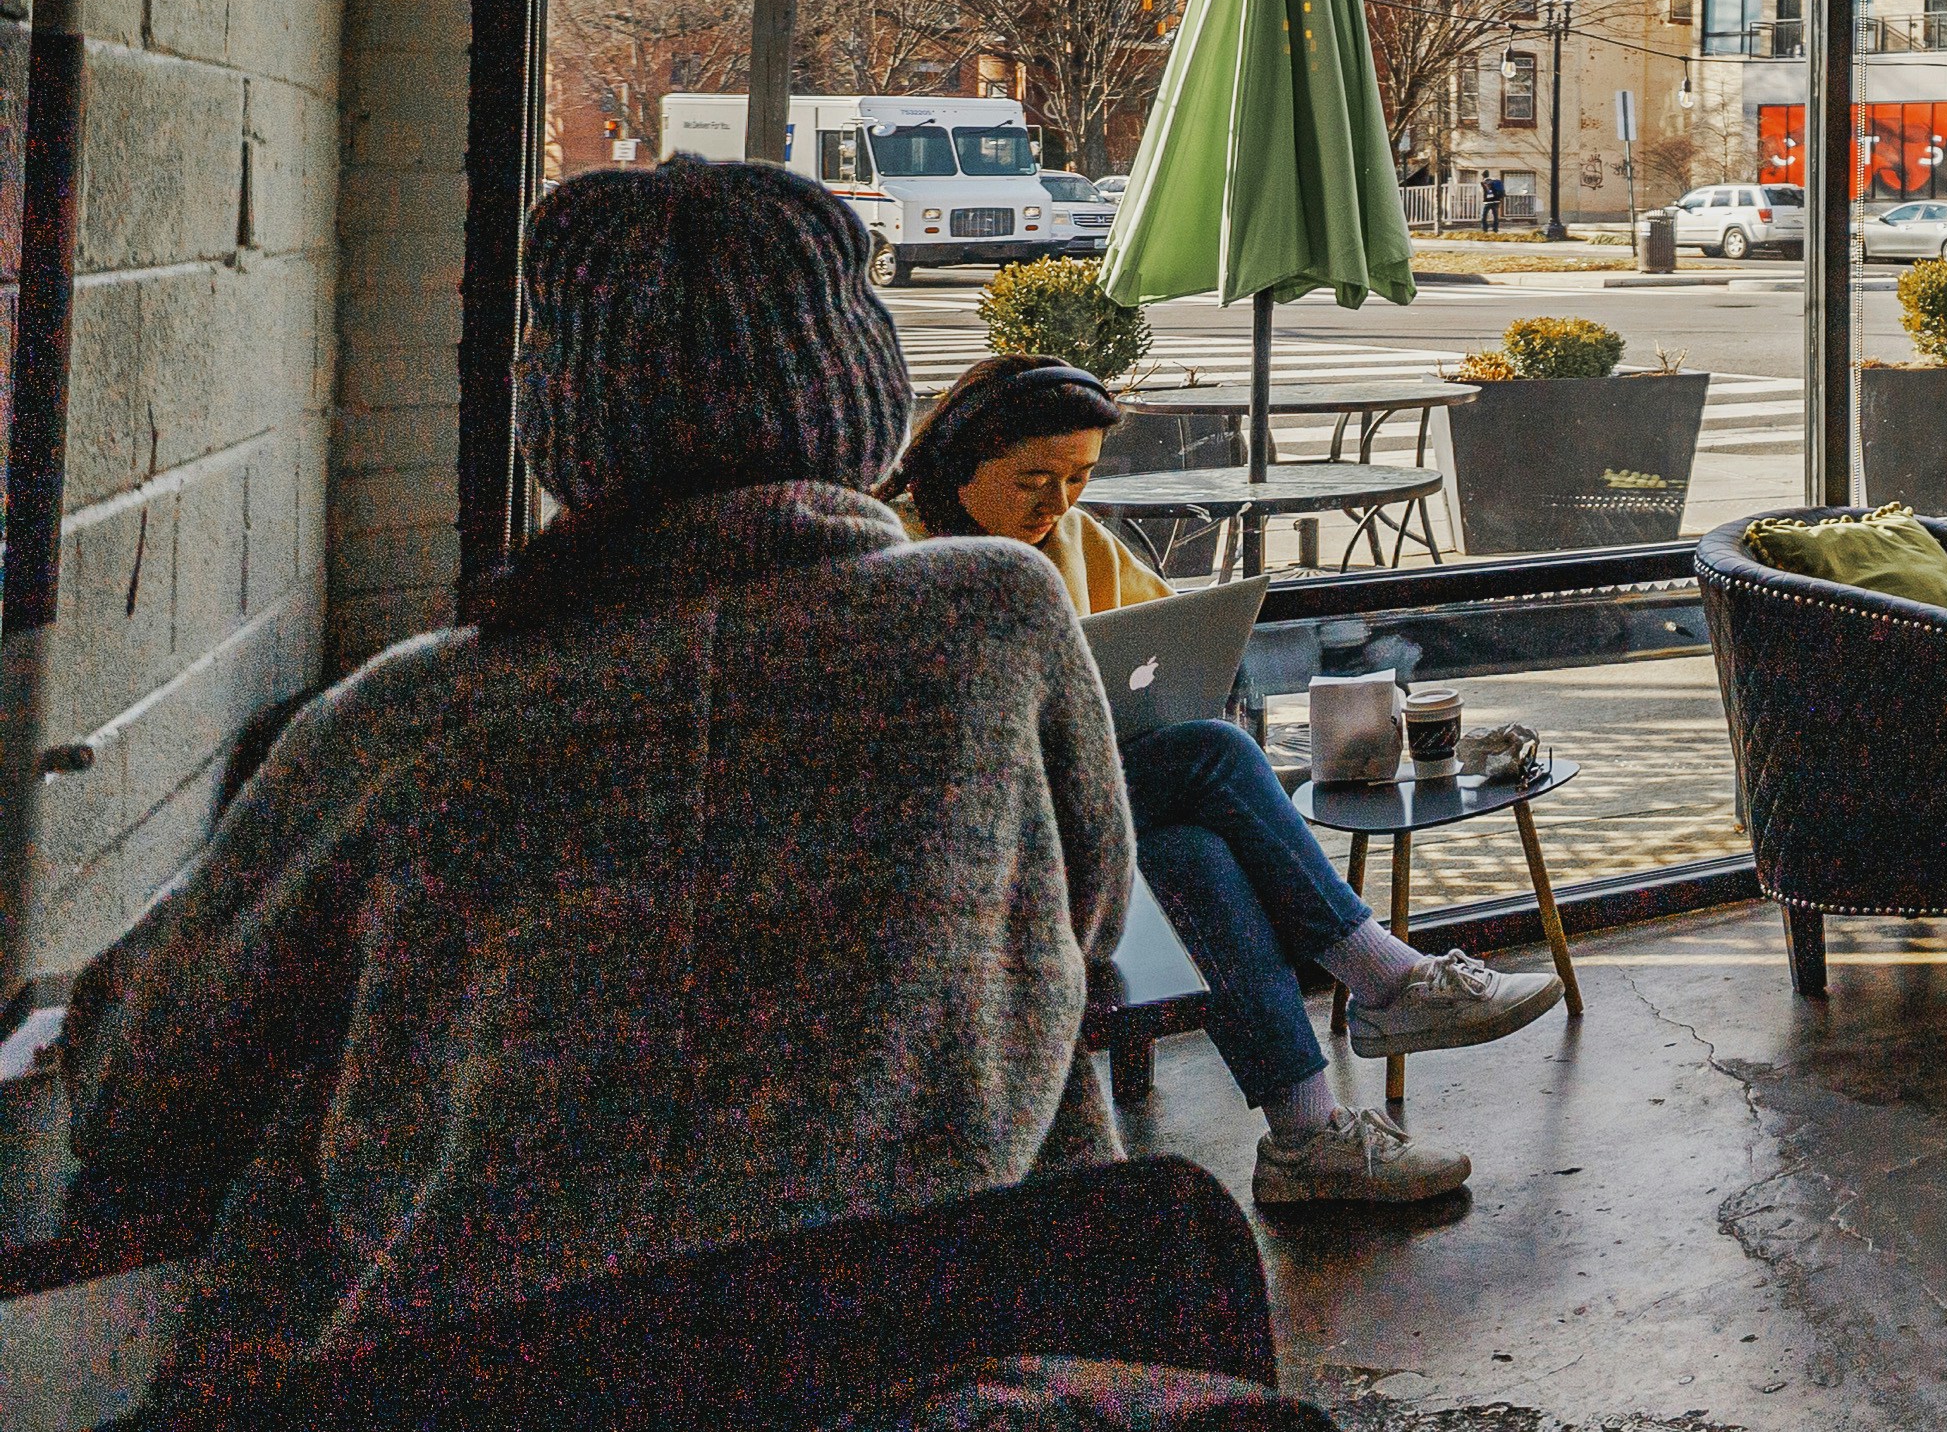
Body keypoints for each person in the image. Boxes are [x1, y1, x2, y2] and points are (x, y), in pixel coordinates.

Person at [65, 159, 1133, 1405]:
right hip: (927, 1360)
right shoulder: (993, 623)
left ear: (559, 409)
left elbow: (144, 1079)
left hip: (481, 1379)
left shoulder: (420, 711)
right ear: (860, 387)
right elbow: (1088, 917)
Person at [888, 358, 1558, 1205]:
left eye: (1080, 479)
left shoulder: (1072, 538)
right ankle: (1387, 980)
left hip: (1095, 815)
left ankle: (1305, 1138)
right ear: (956, 460)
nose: (1057, 505)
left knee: (1198, 850)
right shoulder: (895, 558)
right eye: (1032, 481)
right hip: (987, 833)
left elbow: (1169, 640)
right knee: (1210, 754)